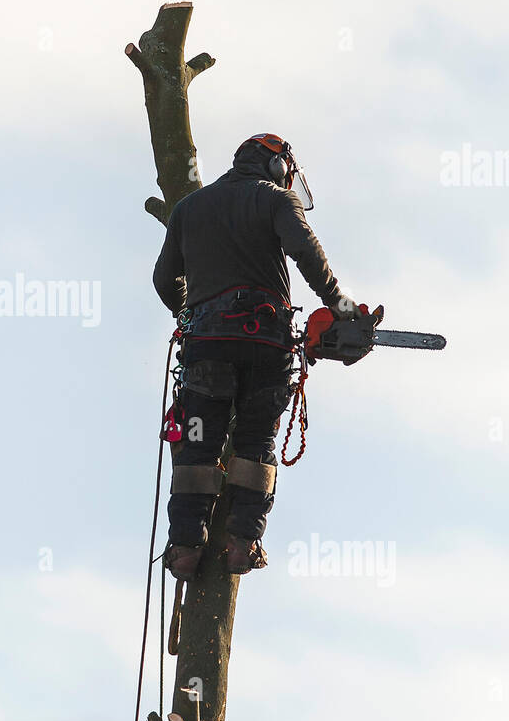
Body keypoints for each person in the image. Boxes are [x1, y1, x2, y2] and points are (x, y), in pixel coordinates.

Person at [152, 134, 360, 580]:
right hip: (267, 346)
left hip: (206, 346)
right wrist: (340, 306)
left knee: (197, 446)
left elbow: (165, 281)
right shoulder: (277, 199)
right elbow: (304, 251)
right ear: (275, 165)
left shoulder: (189, 207)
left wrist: (193, 313)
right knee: (256, 441)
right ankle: (243, 541)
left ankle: (187, 546)